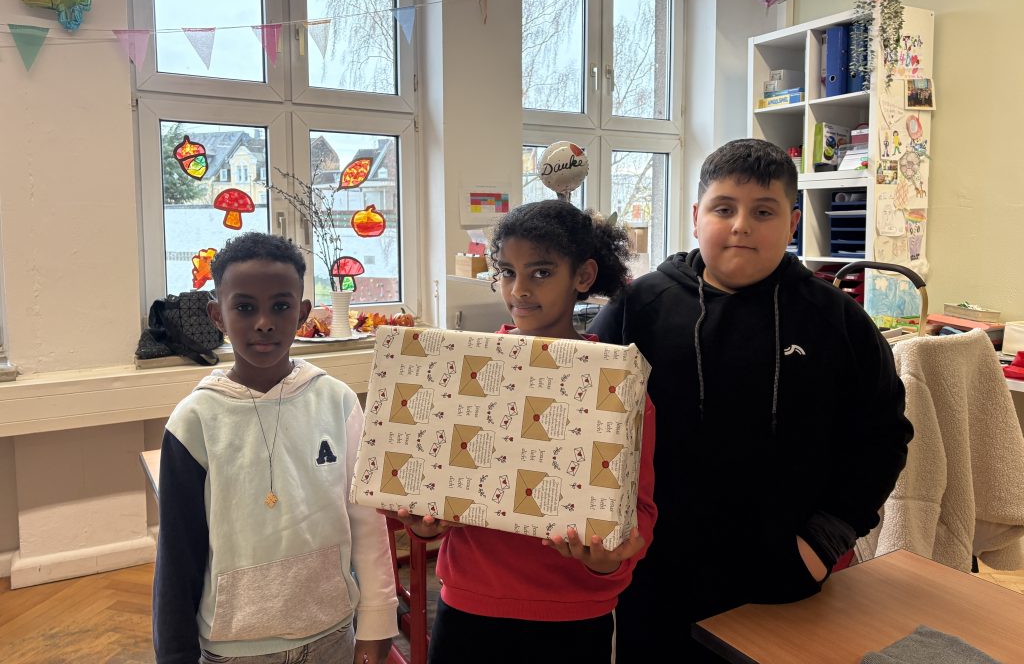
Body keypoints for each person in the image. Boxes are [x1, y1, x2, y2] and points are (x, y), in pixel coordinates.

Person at [589, 139, 913, 662]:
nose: (741, 225)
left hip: (784, 573)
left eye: (763, 212)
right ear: (696, 217)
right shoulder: (637, 308)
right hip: (654, 577)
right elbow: (589, 421)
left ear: (792, 223)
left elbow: (882, 438)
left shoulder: (837, 320)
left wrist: (823, 541)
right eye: (724, 209)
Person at [387, 199, 657, 663]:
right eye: (507, 272)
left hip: (572, 614)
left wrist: (609, 560)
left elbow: (639, 509)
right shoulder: (468, 368)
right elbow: (426, 480)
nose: (519, 290)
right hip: (469, 605)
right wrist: (421, 522)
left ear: (584, 276)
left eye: (541, 272)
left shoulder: (615, 385)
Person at [153, 232, 397, 664]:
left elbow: (366, 521)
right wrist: (175, 655)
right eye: (245, 307)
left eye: (280, 306)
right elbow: (177, 555)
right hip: (236, 648)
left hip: (332, 633)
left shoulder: (337, 402)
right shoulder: (194, 421)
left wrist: (377, 621)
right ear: (217, 315)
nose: (264, 322)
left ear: (302, 313)